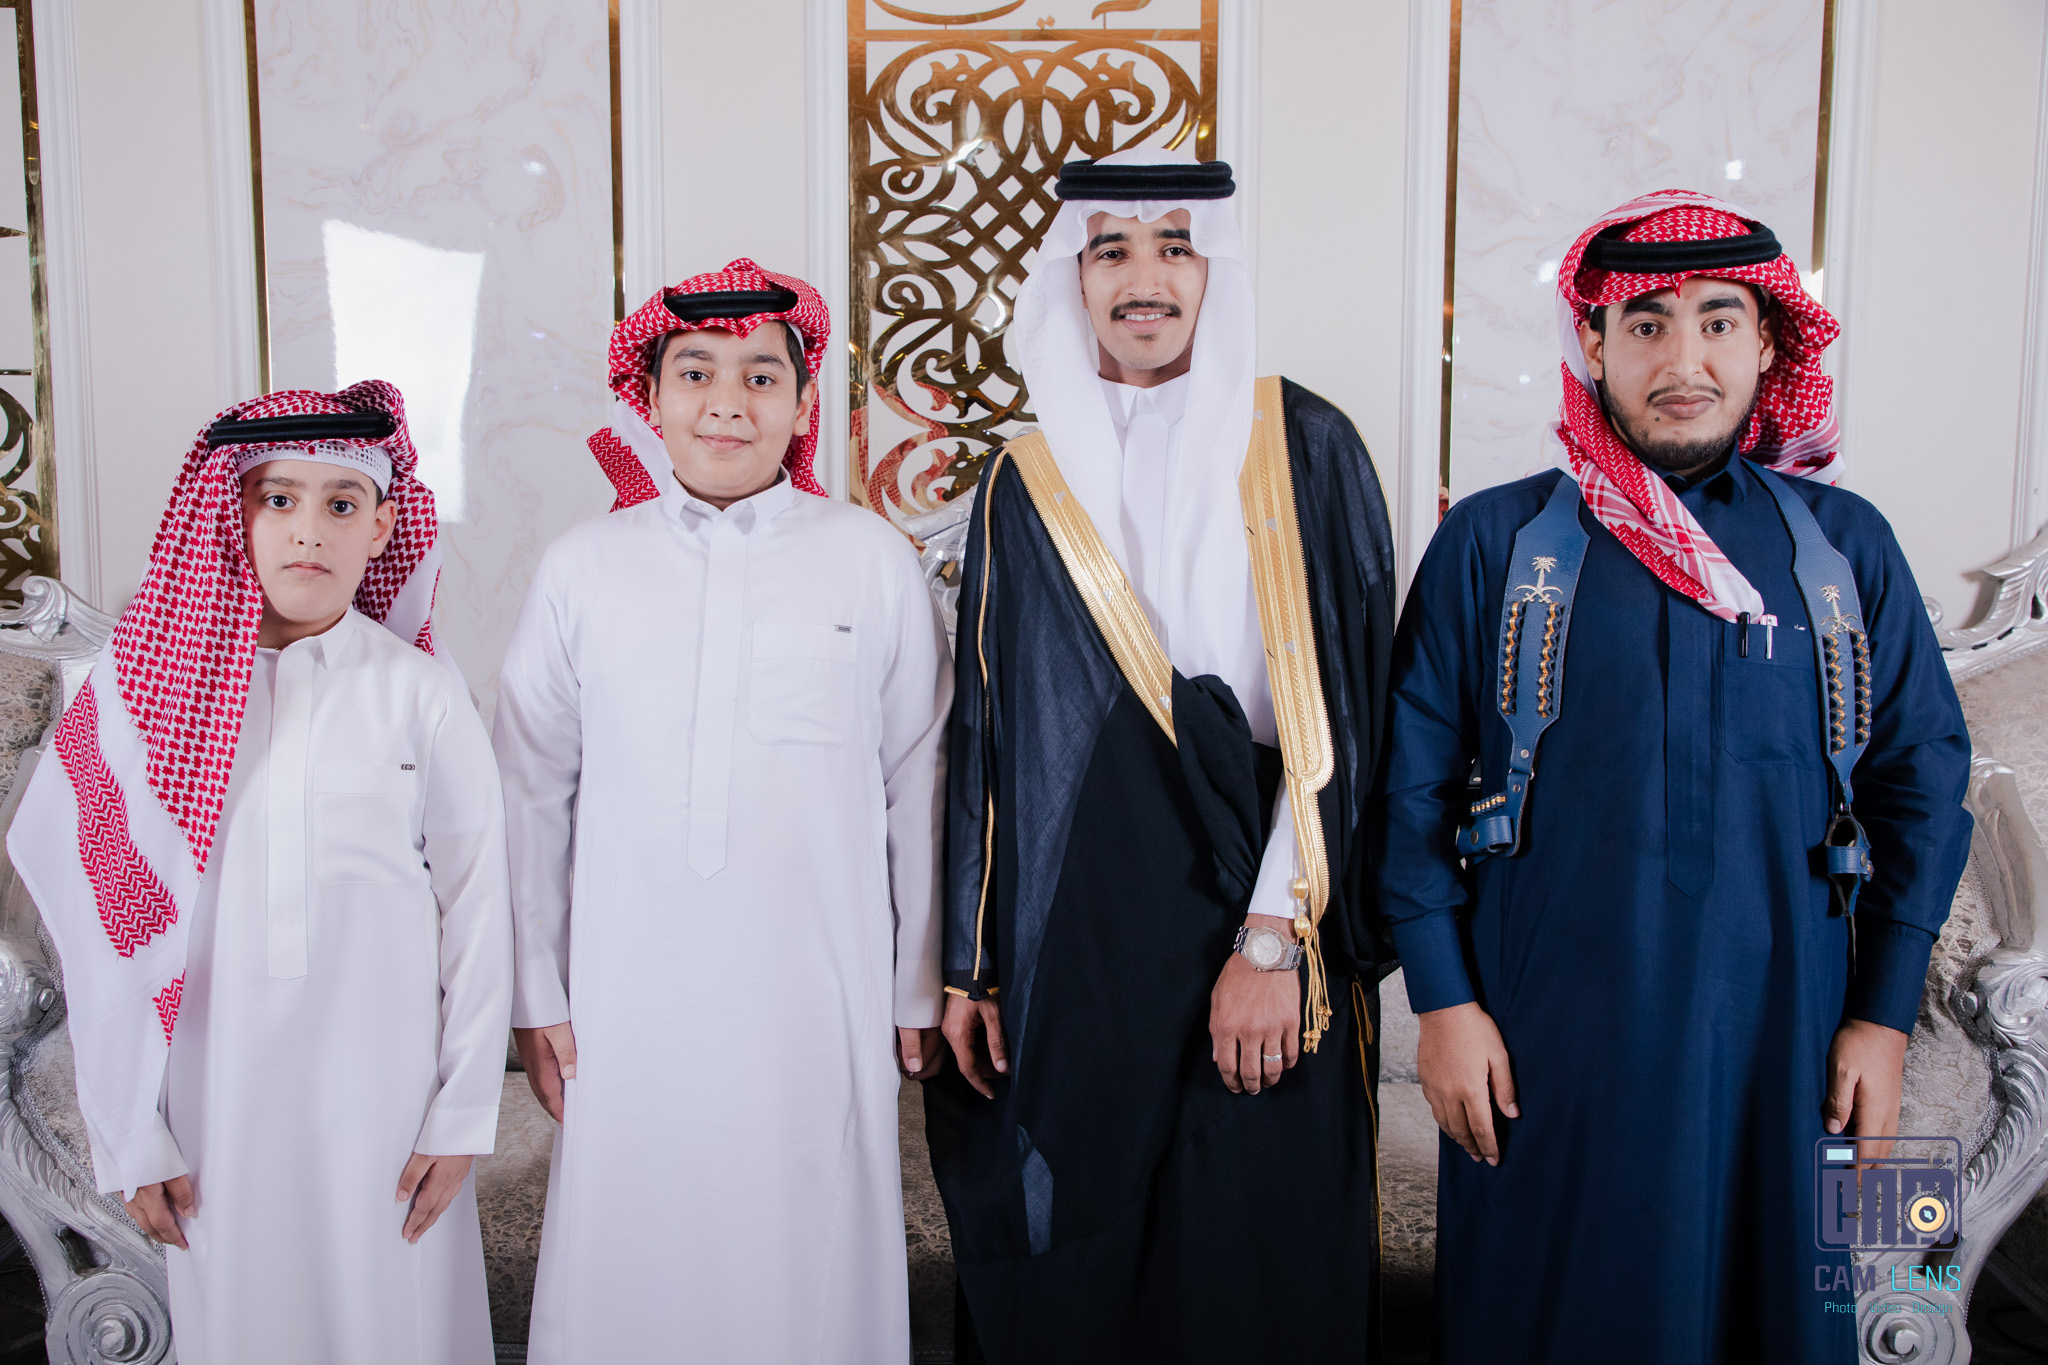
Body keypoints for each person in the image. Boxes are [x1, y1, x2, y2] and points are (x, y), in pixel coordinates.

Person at [1374, 190, 1973, 1361]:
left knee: (1804, 1316)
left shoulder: (1842, 546)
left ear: (1769, 343)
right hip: (1540, 1043)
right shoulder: (1492, 542)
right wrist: (1440, 1005)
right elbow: (1407, 791)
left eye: (1716, 321)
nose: (1682, 359)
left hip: (1796, 1040)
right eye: (1645, 324)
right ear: (1591, 343)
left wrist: (1882, 1018)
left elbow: (1921, 786)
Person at [924, 149, 1397, 1363]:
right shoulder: (1022, 480)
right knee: (1085, 1273)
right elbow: (988, 734)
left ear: (1213, 270)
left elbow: (1347, 718)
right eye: (1111, 251)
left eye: (1175, 247)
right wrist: (973, 967)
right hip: (1081, 935)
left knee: (1256, 1251)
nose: (1144, 278)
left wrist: (1271, 938)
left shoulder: (1305, 444)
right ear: (1073, 277)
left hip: (1264, 910)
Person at [494, 259, 951, 1364]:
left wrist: (915, 980)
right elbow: (529, 791)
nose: (726, 402)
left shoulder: (868, 560)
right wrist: (536, 991)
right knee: (631, 1250)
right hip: (626, 989)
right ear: (650, 397)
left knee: (805, 1251)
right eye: (695, 372)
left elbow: (920, 779)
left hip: (818, 984)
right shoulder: (582, 569)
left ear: (802, 402)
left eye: (760, 375)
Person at [6, 382, 513, 1364]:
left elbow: (479, 908)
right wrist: (129, 1132)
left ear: (382, 528)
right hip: (215, 1093)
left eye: (341, 502)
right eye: (276, 498)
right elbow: (97, 933)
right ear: (227, 513)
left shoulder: (419, 692)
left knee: (398, 1320)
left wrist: (461, 1114)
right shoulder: (146, 695)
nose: (307, 529)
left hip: (389, 1092)